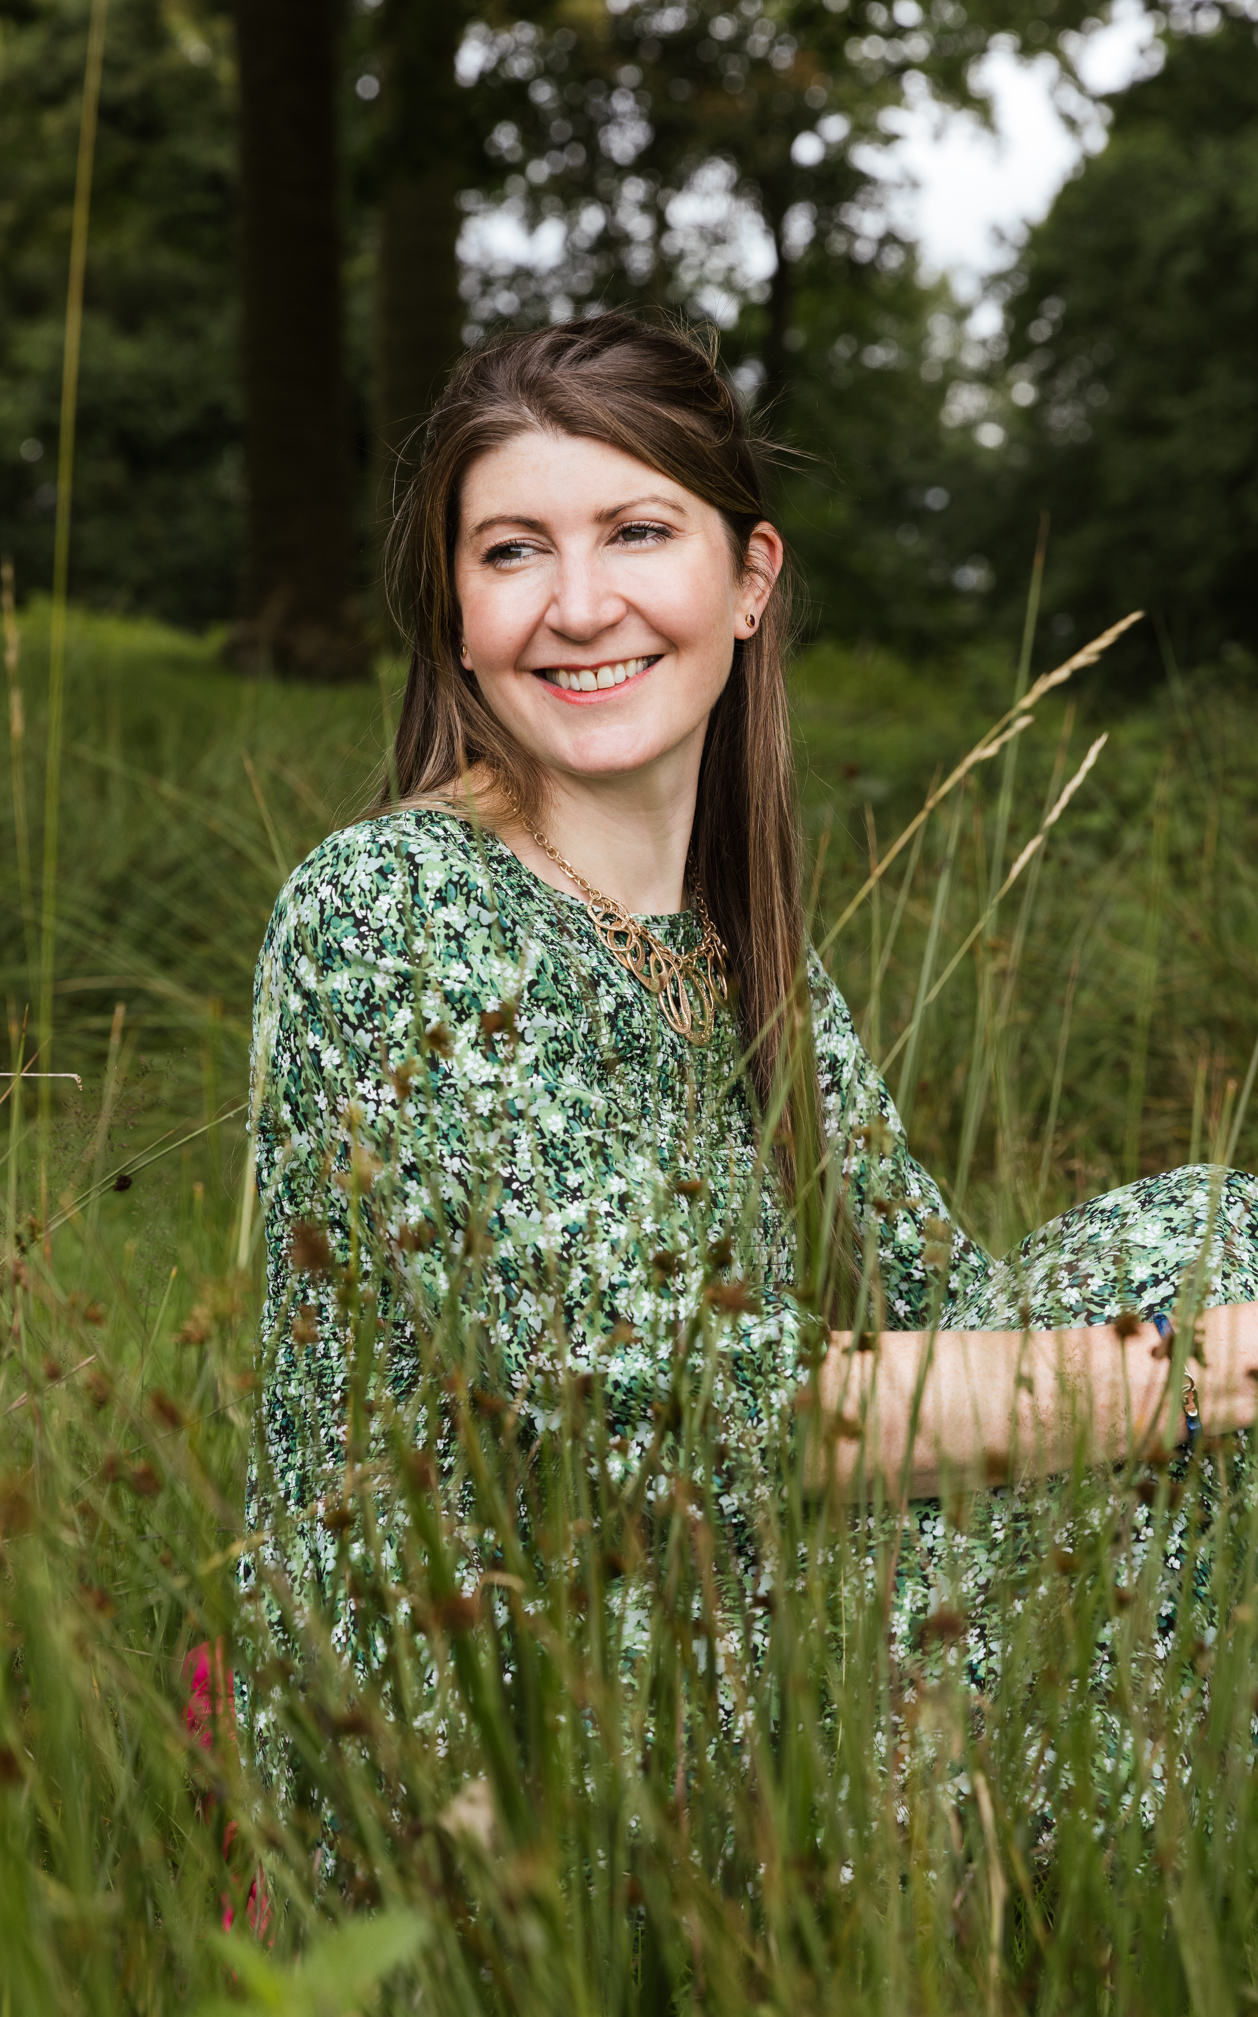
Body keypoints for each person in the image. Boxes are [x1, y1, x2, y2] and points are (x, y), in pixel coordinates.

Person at [246, 312, 1258, 1677]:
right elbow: (676, 1409)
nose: (579, 605)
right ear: (457, 618)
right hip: (523, 1682)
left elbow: (940, 1304)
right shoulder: (388, 907)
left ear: (749, 580)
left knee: (1213, 1228)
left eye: (637, 532)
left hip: (731, 1586)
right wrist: (1198, 1373)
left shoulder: (738, 941)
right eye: (512, 551)